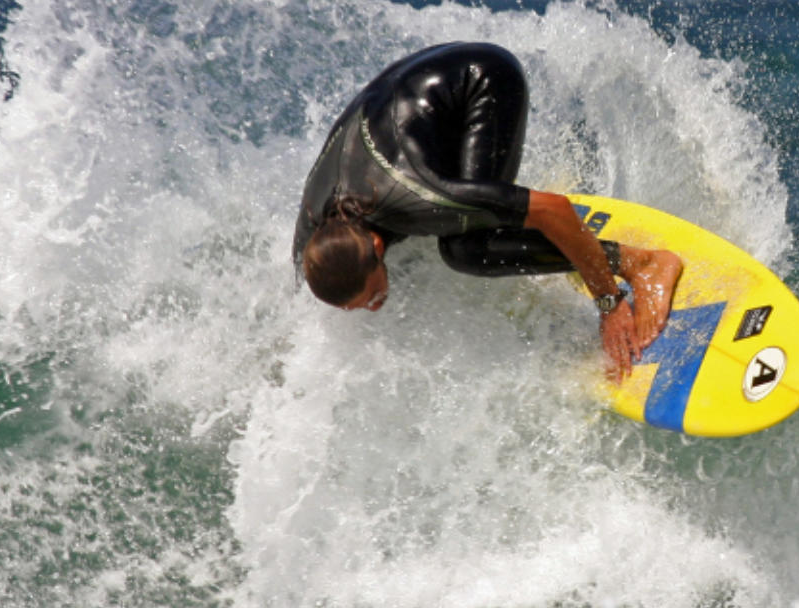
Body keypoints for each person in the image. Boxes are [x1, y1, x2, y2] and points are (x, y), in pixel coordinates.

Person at [292, 42, 682, 377]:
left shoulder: (418, 198)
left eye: (374, 296)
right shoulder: (313, 239)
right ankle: (495, 205)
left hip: (481, 80)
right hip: (403, 100)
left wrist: (609, 303)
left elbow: (555, 210)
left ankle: (642, 263)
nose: (376, 308)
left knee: (467, 249)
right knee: (456, 224)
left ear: (376, 245)